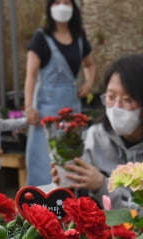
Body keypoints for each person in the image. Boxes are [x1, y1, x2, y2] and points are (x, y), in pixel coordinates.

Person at [53, 54, 143, 209]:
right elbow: (74, 204)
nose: (116, 107)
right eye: (111, 97)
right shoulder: (94, 137)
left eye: (127, 100)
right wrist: (65, 183)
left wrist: (102, 186)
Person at [23, 0, 96, 186]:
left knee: (71, 158)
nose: (62, 6)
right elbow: (31, 75)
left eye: (66, 2)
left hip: (73, 109)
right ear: (49, 7)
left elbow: (90, 64)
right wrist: (28, 107)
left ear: (73, 7)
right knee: (43, 159)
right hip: (46, 110)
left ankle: (69, 206)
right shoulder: (41, 38)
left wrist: (88, 83)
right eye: (57, 2)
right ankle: (39, 205)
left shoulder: (79, 37)